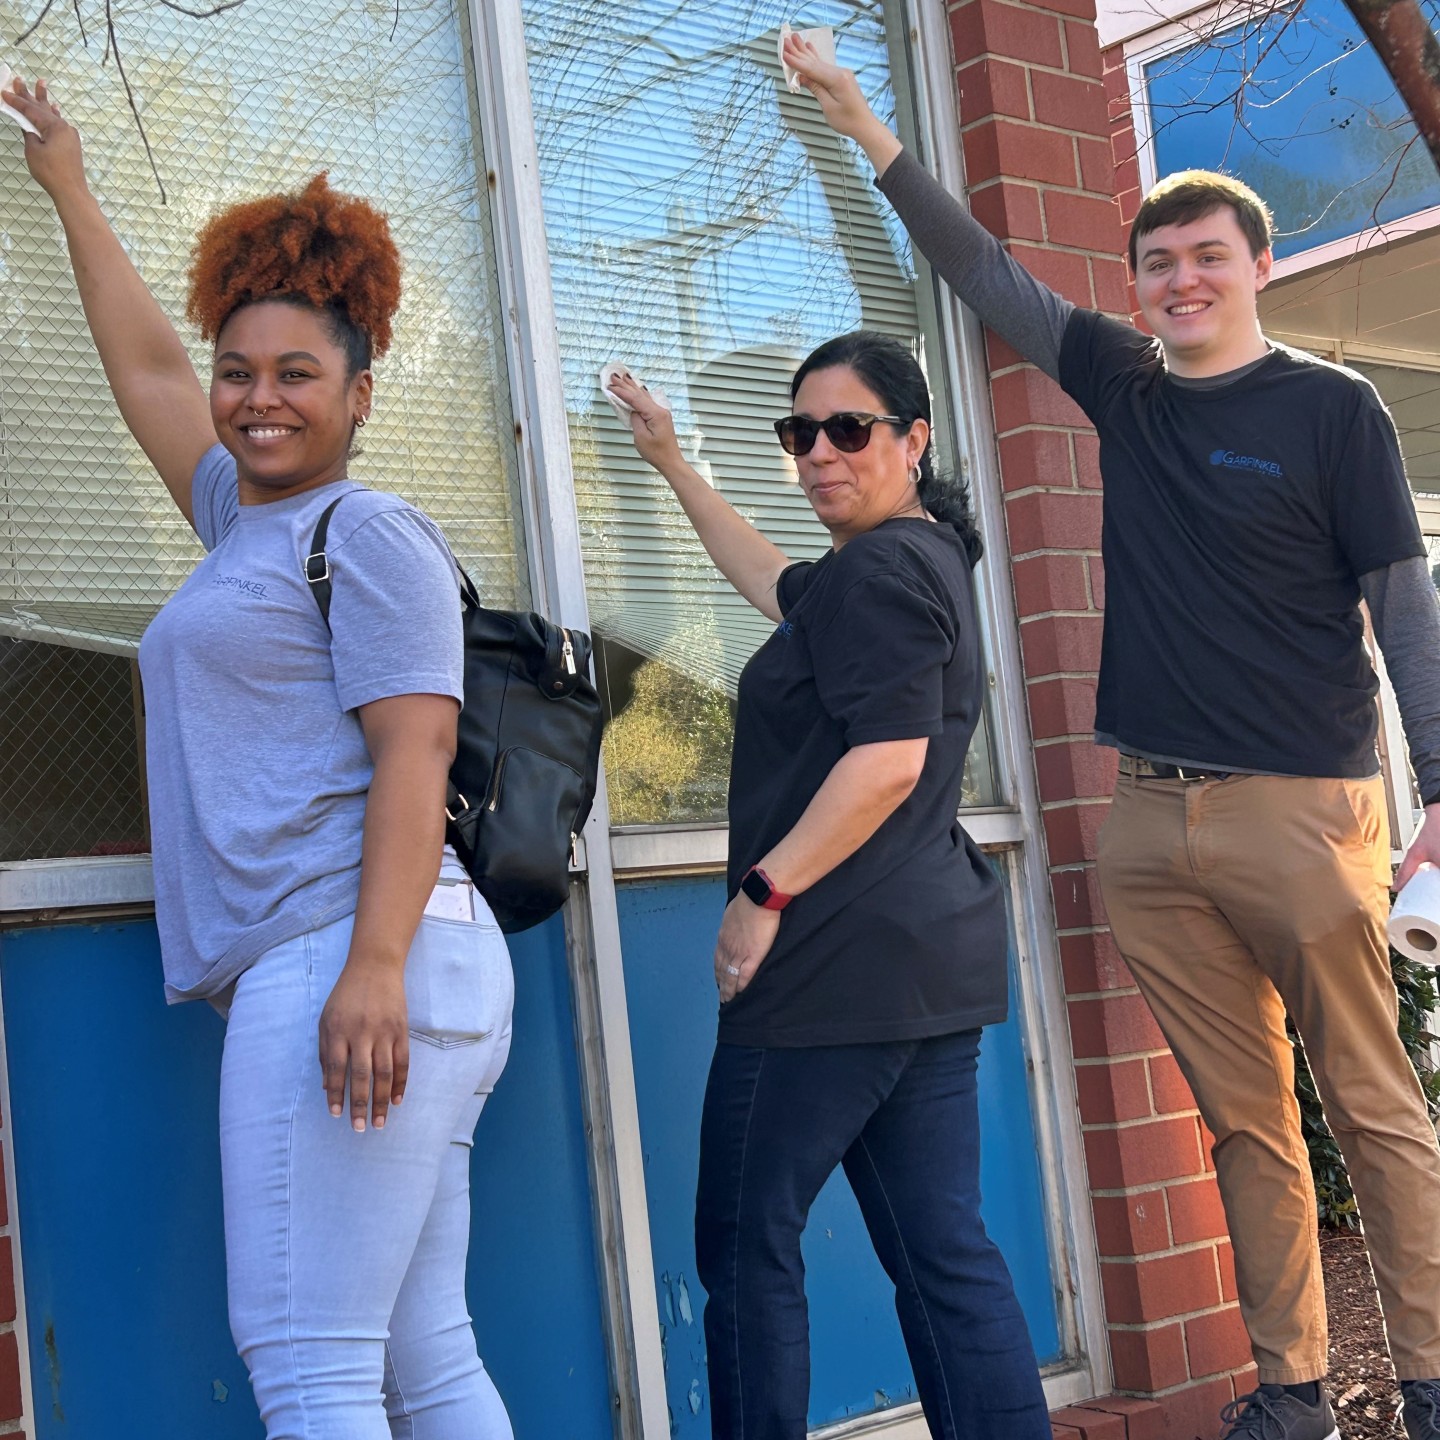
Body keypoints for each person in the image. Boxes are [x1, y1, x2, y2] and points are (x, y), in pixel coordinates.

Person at [780, 32, 1440, 1440]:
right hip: (1147, 822)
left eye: (1207, 256)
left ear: (1255, 265)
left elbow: (1406, 607)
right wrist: (855, 115)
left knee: (1374, 1111)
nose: (1182, 281)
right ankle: (1293, 1393)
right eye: (1158, 263)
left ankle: (1434, 1382)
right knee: (1245, 1125)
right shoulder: (1124, 388)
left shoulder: (1335, 412)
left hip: (1304, 810)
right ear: (1137, 284)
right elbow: (984, 271)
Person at [5, 76, 515, 1440]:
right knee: (422, 1353)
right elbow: (150, 374)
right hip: (369, 957)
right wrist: (68, 185)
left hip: (352, 950)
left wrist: (371, 967)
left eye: (297, 373)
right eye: (243, 370)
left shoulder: (372, 533)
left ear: (359, 386)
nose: (257, 399)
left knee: (306, 1362)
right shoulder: (247, 519)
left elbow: (418, 752)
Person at [609, 335, 1051, 1440]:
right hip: (924, 960)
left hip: (829, 967)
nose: (816, 453)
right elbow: (770, 579)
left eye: (847, 429)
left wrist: (763, 895)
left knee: (747, 1245)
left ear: (914, 439)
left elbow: (889, 759)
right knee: (943, 1252)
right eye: (798, 433)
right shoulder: (910, 560)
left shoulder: (882, 572)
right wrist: (672, 464)